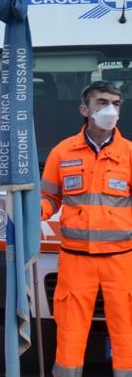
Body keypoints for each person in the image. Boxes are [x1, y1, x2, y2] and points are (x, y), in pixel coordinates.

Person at [39, 81, 131, 377]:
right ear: (84, 109)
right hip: (75, 261)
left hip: (122, 261)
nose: (110, 110)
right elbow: (49, 198)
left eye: (116, 104)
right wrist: (29, 212)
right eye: (102, 102)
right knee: (69, 337)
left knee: (126, 336)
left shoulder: (129, 154)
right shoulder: (62, 152)